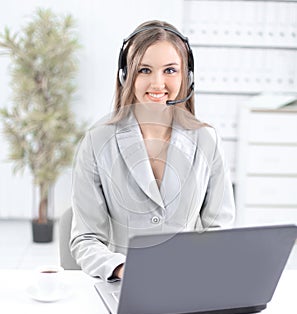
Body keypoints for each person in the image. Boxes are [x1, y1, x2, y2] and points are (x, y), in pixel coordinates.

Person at [70, 20, 235, 281]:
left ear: (186, 76)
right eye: (144, 70)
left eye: (170, 70)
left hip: (191, 281)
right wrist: (122, 269)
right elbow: (86, 239)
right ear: (126, 75)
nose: (158, 83)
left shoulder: (207, 139)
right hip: (124, 284)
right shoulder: (97, 141)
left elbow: (220, 230)